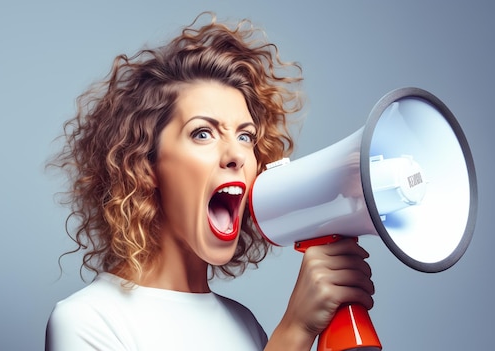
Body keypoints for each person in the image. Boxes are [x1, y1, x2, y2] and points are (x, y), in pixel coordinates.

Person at [45, 12, 374, 351]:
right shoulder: (88, 321)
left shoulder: (244, 324)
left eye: (246, 136)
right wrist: (294, 331)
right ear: (144, 165)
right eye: (203, 133)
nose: (236, 154)